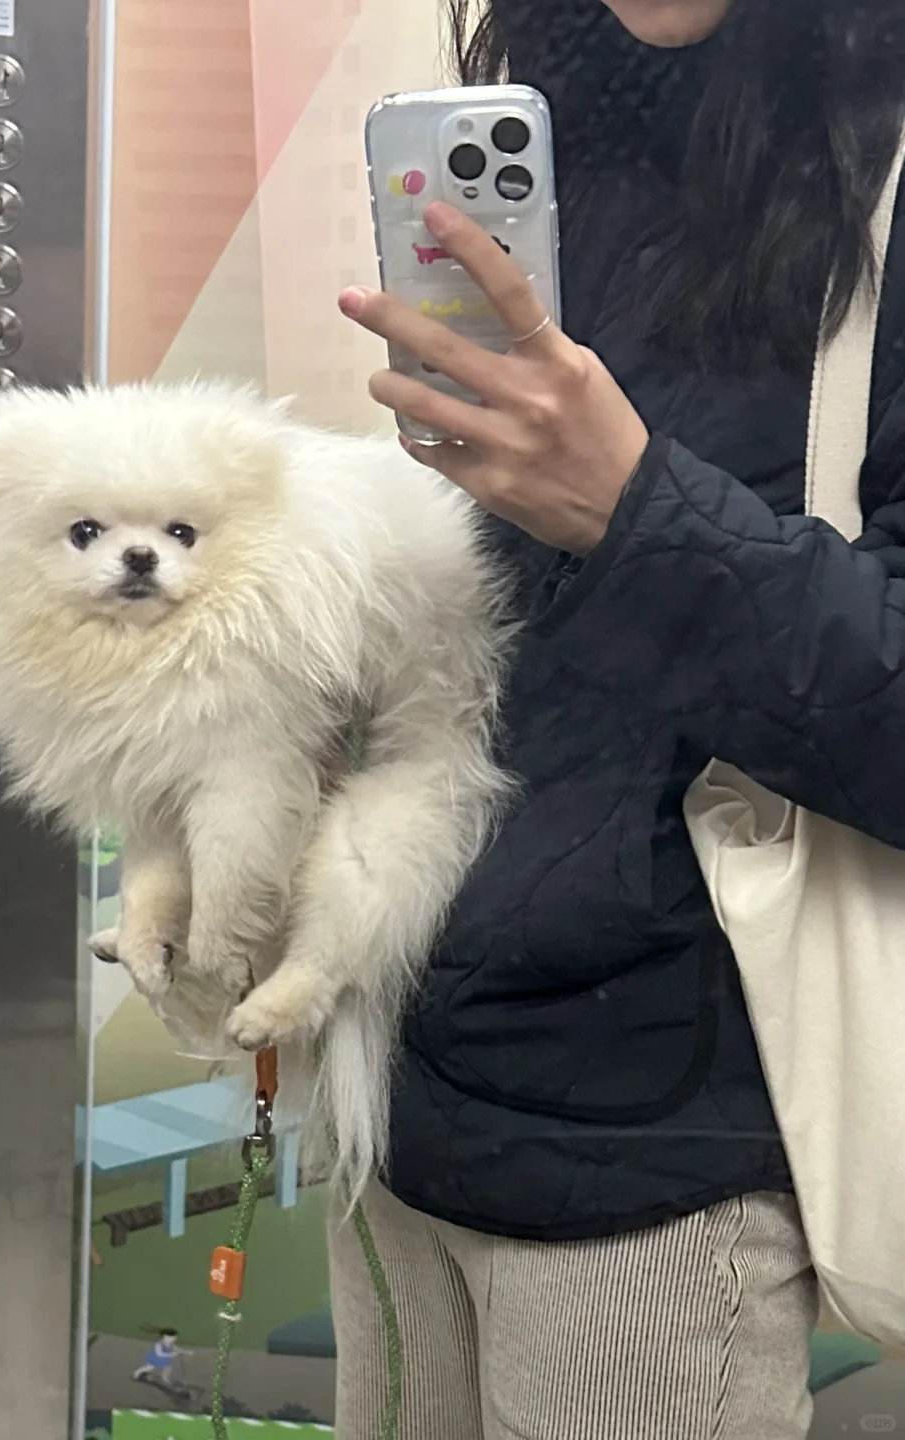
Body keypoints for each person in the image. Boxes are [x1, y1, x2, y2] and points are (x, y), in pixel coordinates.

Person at [331, 2, 905, 1436]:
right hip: (399, 1084)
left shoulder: (877, 153)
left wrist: (635, 510)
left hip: (665, 1149)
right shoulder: (544, 115)